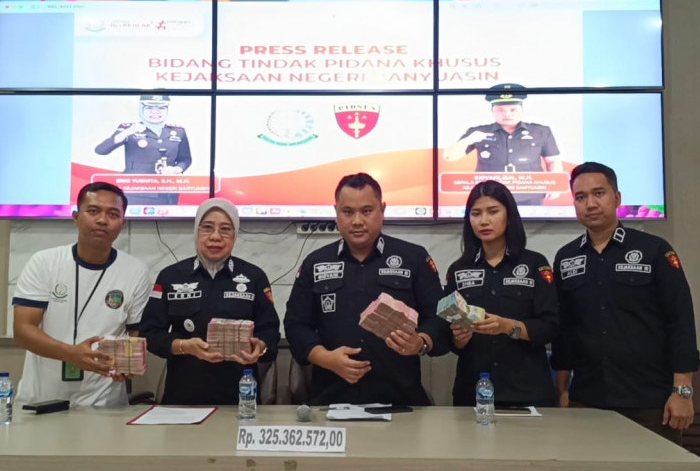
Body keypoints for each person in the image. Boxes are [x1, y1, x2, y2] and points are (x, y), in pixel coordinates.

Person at [551, 162, 699, 444]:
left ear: (617, 198)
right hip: (587, 400)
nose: (590, 203)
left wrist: (682, 391)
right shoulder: (566, 258)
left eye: (599, 193)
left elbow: (680, 320)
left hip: (650, 402)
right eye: (581, 197)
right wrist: (562, 390)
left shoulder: (654, 250)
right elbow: (564, 329)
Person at [284, 172, 449, 406]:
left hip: (400, 401)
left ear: (382, 210)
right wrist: (326, 358)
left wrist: (421, 342)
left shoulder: (413, 258)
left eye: (367, 211)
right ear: (336, 212)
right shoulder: (316, 263)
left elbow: (440, 317)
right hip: (331, 399)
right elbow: (296, 324)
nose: (357, 221)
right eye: (348, 212)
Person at [12, 182, 151, 407]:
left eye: (113, 214)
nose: (102, 220)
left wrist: (129, 364)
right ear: (76, 217)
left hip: (104, 403)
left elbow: (135, 335)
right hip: (42, 400)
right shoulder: (44, 262)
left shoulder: (136, 271)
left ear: (122, 223)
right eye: (93, 211)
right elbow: (23, 330)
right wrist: (70, 354)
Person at [139, 198, 280, 405]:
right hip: (183, 398)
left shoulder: (254, 277)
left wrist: (261, 347)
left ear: (235, 235)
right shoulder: (171, 276)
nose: (215, 237)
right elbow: (149, 334)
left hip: (240, 399)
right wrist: (183, 346)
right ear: (196, 231)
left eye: (225, 229)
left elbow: (271, 333)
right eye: (207, 227)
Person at [445, 180, 558, 407]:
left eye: (493, 211)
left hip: (526, 392)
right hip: (472, 392)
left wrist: (508, 327)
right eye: (476, 213)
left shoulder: (535, 264)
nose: (484, 221)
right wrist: (458, 339)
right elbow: (446, 334)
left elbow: (551, 326)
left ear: (509, 216)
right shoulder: (458, 270)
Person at [443, 83, 563, 205]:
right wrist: (469, 139)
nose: (507, 114)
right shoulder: (479, 132)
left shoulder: (541, 131)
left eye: (513, 109)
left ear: (522, 110)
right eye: (500, 110)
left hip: (530, 195)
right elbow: (450, 156)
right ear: (492, 111)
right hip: (489, 196)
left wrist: (554, 185)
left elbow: (552, 161)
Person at [95, 94, 192, 205]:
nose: (155, 112)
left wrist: (176, 170)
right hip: (136, 190)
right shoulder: (128, 129)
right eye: (150, 108)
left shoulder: (178, 131)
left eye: (161, 108)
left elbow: (185, 159)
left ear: (167, 110)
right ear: (141, 109)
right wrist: (126, 133)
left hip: (166, 190)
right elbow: (101, 150)